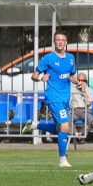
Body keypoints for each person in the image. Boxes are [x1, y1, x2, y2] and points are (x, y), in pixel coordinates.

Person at [21, 31, 81, 168]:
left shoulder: (71, 58)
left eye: (62, 40)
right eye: (58, 39)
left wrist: (78, 83)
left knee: (61, 128)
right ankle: (62, 160)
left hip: (65, 98)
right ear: (54, 42)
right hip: (53, 97)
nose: (60, 42)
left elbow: (71, 76)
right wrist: (40, 78)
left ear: (66, 42)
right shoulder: (48, 58)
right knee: (65, 126)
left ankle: (35, 125)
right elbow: (34, 75)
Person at [69, 73, 93, 137]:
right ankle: (75, 133)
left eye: (82, 80)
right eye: (78, 80)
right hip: (74, 110)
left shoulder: (90, 90)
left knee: (90, 119)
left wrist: (83, 92)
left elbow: (88, 103)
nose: (79, 82)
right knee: (67, 119)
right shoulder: (72, 90)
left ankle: (82, 134)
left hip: (85, 110)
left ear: (85, 82)